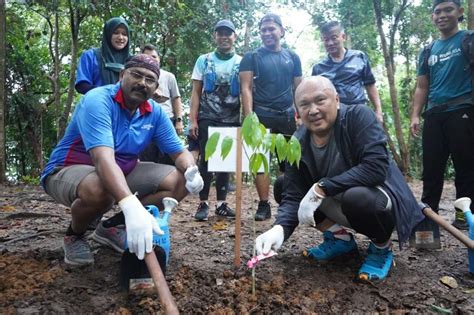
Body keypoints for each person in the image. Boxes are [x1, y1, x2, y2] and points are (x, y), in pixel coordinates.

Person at [255, 76, 425, 281]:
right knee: (282, 185)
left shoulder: (357, 117)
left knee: (358, 198)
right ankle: (340, 238)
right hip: (337, 198)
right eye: (305, 104)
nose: (313, 110)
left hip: (377, 197)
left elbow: (376, 167)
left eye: (320, 100)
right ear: (297, 112)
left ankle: (381, 247)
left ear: (336, 100)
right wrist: (279, 229)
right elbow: (292, 195)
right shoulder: (298, 141)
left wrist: (323, 187)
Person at [41, 54, 204, 265]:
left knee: (180, 181)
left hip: (123, 170)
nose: (142, 83)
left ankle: (111, 227)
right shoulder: (97, 100)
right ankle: (75, 235)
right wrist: (130, 205)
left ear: (156, 87)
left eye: (150, 80)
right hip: (68, 170)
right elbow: (103, 160)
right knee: (102, 188)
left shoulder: (154, 113)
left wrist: (191, 170)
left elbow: (179, 153)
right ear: (121, 75)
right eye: (136, 75)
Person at [410, 0, 474, 229]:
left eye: (448, 10)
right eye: (437, 12)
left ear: (460, 12)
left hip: (463, 110)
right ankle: (429, 222)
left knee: (465, 168)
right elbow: (422, 86)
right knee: (431, 170)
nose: (442, 15)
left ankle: (463, 220)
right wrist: (416, 115)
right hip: (434, 115)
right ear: (432, 17)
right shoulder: (428, 50)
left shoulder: (469, 39)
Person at [240, 13, 302, 221]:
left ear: (281, 31)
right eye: (263, 30)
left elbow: (298, 88)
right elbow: (246, 88)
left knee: (289, 163)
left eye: (271, 29)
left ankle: (288, 202)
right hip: (261, 116)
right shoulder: (252, 57)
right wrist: (249, 118)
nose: (267, 33)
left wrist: (300, 115)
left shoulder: (292, 57)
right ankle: (264, 204)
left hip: (286, 116)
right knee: (260, 162)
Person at [189, 19, 242, 221]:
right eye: (220, 33)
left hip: (231, 118)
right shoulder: (204, 60)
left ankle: (221, 204)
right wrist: (193, 120)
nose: (224, 37)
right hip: (207, 116)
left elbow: (247, 92)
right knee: (207, 160)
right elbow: (196, 92)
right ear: (215, 36)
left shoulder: (241, 61)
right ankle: (202, 204)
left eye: (228, 33)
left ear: (234, 36)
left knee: (226, 162)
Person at [312, 21, 383, 123]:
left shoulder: (359, 57)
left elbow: (370, 85)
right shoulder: (319, 68)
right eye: (326, 39)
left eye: (334, 38)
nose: (330, 43)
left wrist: (378, 111)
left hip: (359, 112)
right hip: (334, 117)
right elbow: (316, 97)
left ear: (343, 37)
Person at [139, 44, 184, 165]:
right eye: (147, 56)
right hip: (146, 118)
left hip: (167, 118)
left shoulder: (169, 76)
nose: (151, 60)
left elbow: (176, 98)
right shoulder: (138, 77)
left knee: (168, 156)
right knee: (147, 155)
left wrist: (179, 120)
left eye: (154, 57)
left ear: (159, 59)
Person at [75, 17, 130, 94]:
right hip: (96, 102)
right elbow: (82, 85)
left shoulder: (132, 61)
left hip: (125, 105)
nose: (120, 37)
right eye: (116, 33)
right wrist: (108, 94)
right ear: (108, 34)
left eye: (124, 34)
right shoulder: (91, 56)